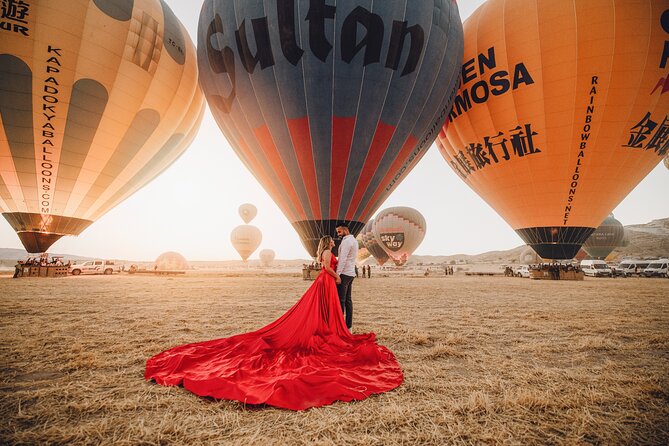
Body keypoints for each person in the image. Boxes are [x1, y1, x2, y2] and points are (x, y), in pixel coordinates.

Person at [145, 235, 402, 411]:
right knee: (319, 316)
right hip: (326, 282)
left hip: (327, 283)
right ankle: (327, 330)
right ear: (327, 243)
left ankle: (330, 329)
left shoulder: (329, 250)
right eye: (332, 240)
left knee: (328, 314)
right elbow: (325, 268)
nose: (334, 241)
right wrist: (336, 277)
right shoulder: (326, 252)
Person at [335, 224, 358, 331]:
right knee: (348, 301)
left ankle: (340, 327)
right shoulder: (354, 240)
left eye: (339, 231)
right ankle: (349, 326)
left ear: (345, 230)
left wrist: (337, 274)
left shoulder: (347, 241)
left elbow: (342, 258)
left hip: (344, 273)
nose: (338, 234)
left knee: (341, 301)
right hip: (351, 273)